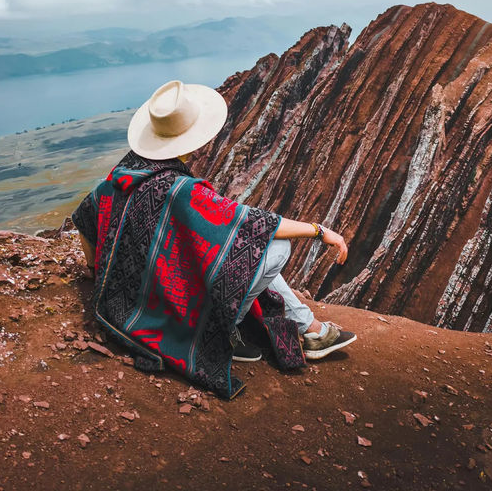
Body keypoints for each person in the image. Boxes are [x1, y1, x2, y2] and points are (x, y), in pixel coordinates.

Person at [71, 79, 356, 399]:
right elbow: (254, 223)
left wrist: (96, 271)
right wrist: (319, 231)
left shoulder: (121, 177)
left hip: (131, 297)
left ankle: (310, 329)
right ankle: (224, 331)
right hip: (168, 305)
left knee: (251, 245)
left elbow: (85, 219)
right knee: (274, 246)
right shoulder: (180, 190)